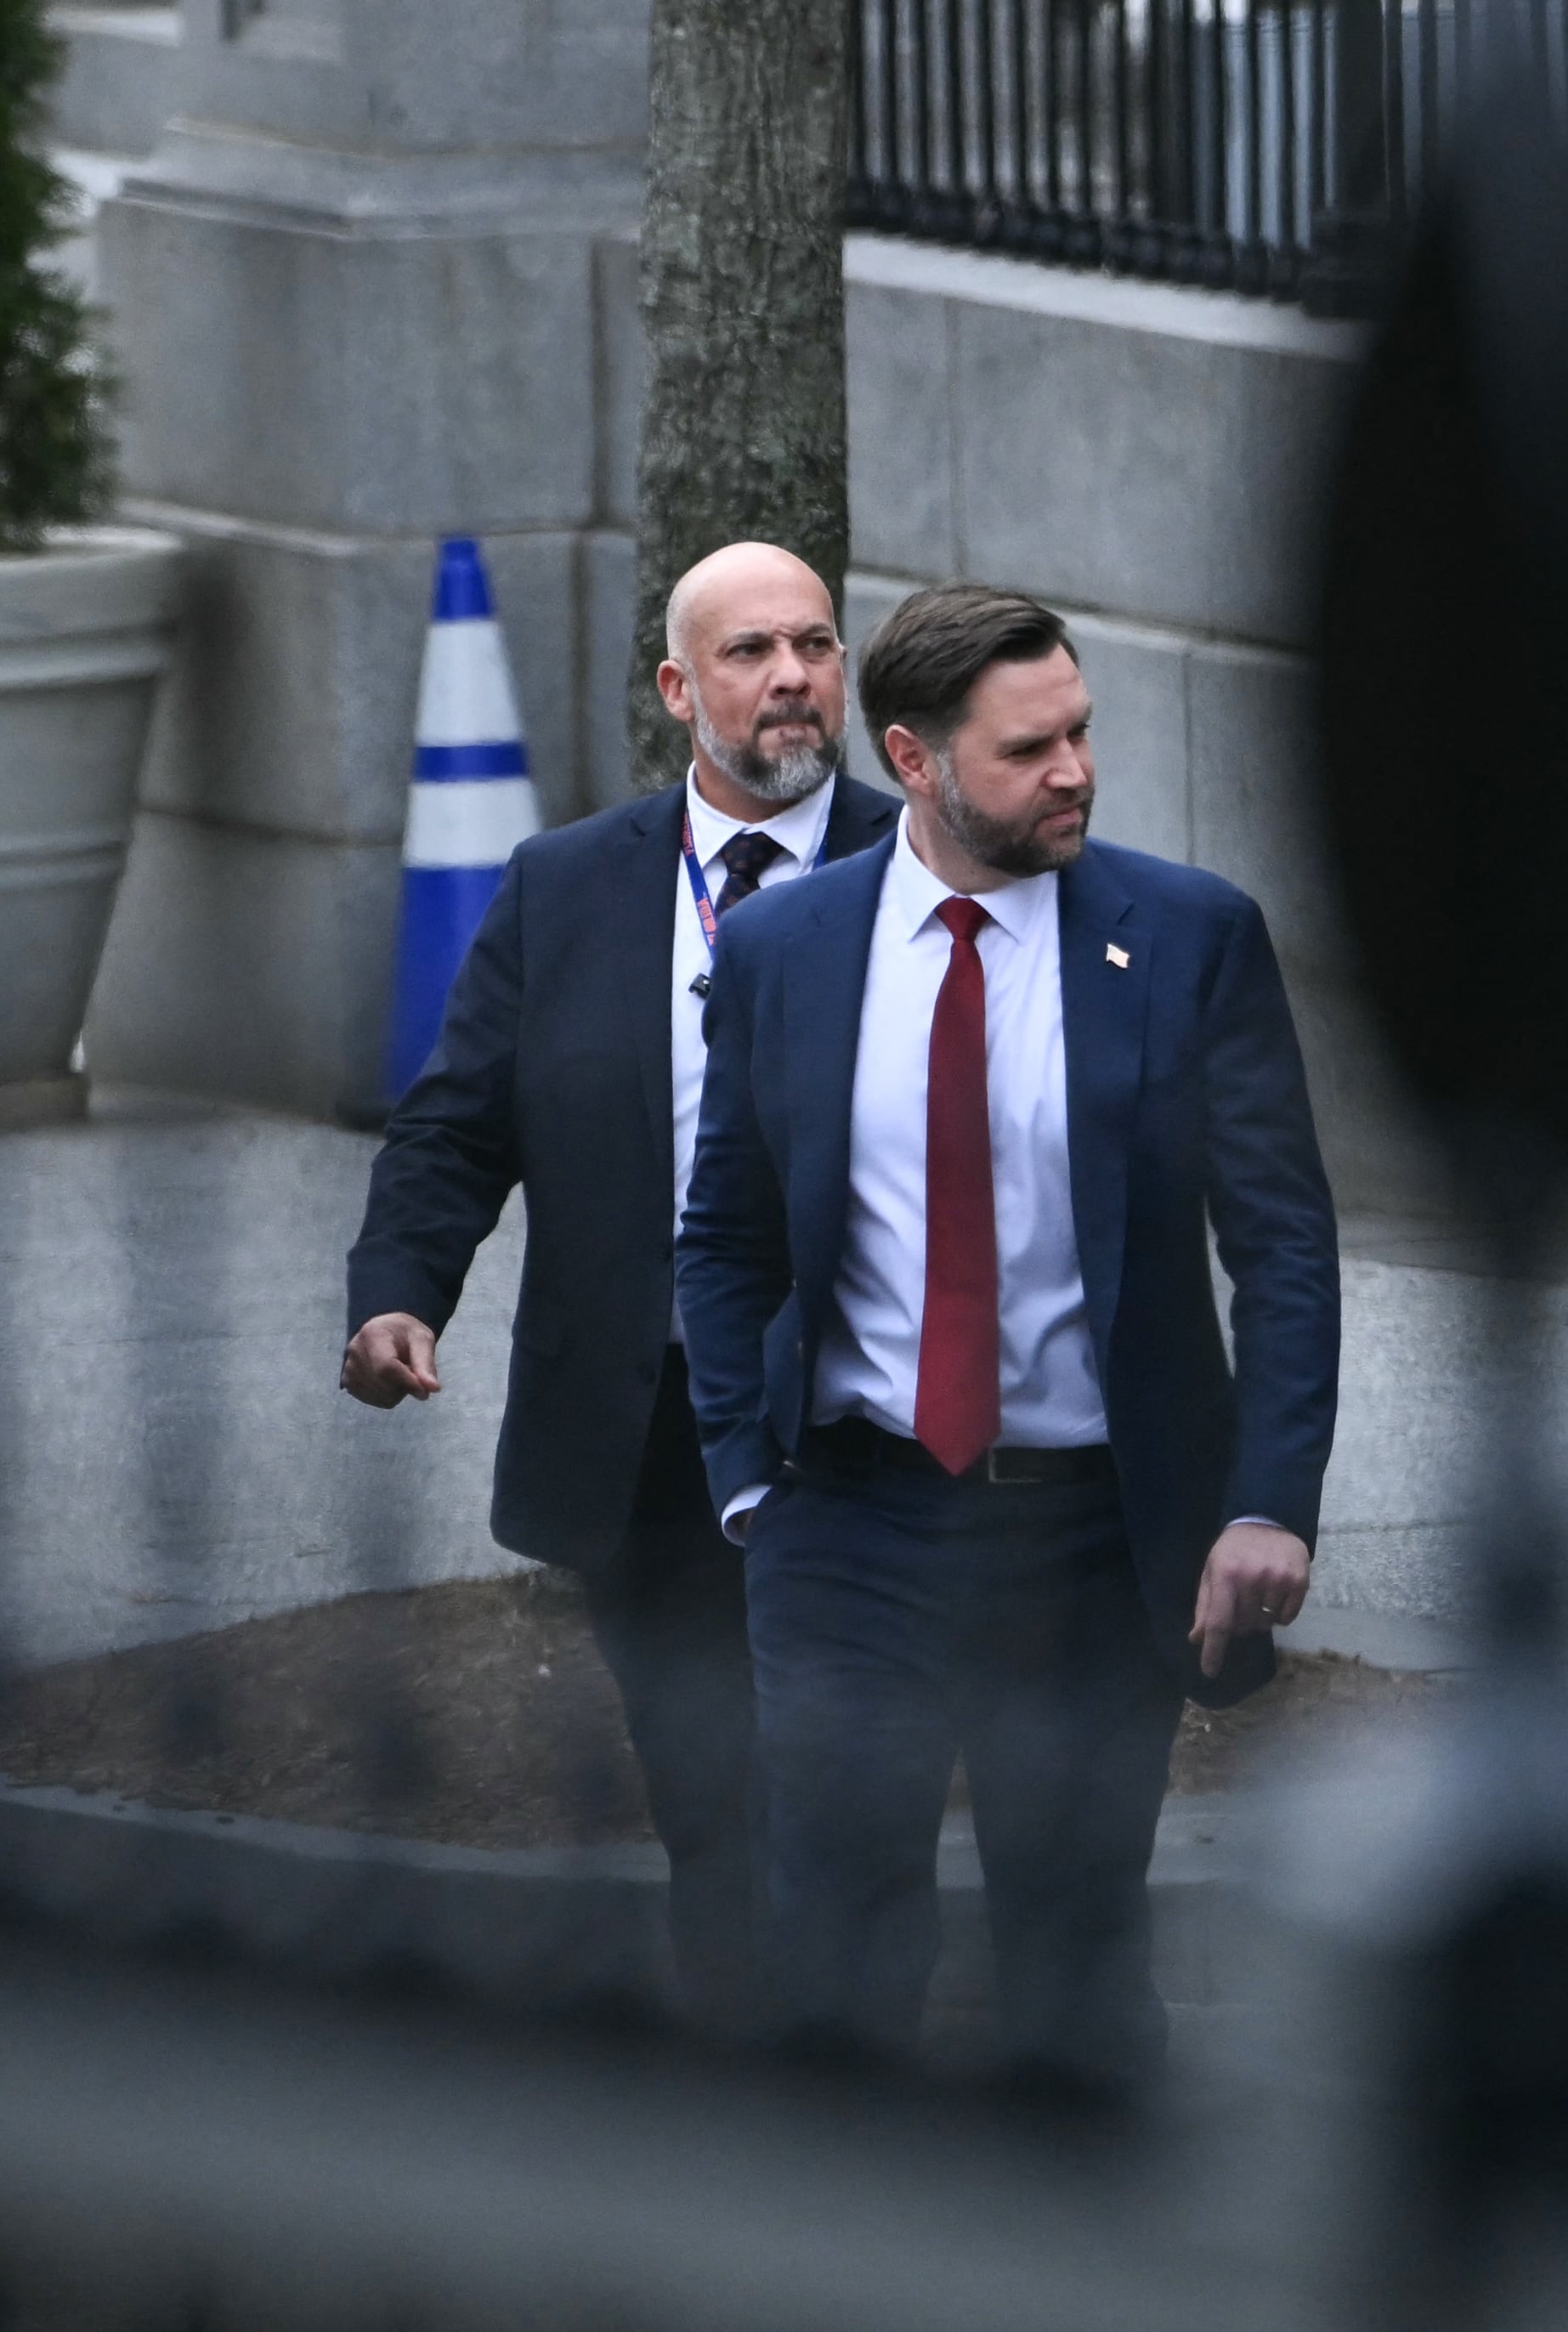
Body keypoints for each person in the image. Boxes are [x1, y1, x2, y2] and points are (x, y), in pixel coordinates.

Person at [676, 581, 1338, 2080]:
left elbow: (1285, 1243)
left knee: (1077, 1952)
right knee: (835, 1946)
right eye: (1030, 749)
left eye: (1082, 732)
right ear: (912, 760)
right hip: (845, 1522)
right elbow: (723, 1231)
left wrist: (1265, 1503)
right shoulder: (789, 951)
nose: (1076, 771)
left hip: (1088, 1539)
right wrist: (745, 1477)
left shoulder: (1187, 939)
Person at [342, 541, 898, 2035]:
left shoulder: (925, 872)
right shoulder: (567, 887)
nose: (792, 680)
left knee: (840, 1769)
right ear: (676, 690)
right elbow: (459, 1122)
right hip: (648, 1424)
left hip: (862, 1417)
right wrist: (402, 1292)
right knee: (706, 1784)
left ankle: (849, 2050)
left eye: (816, 646)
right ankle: (751, 2059)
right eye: (750, 654)